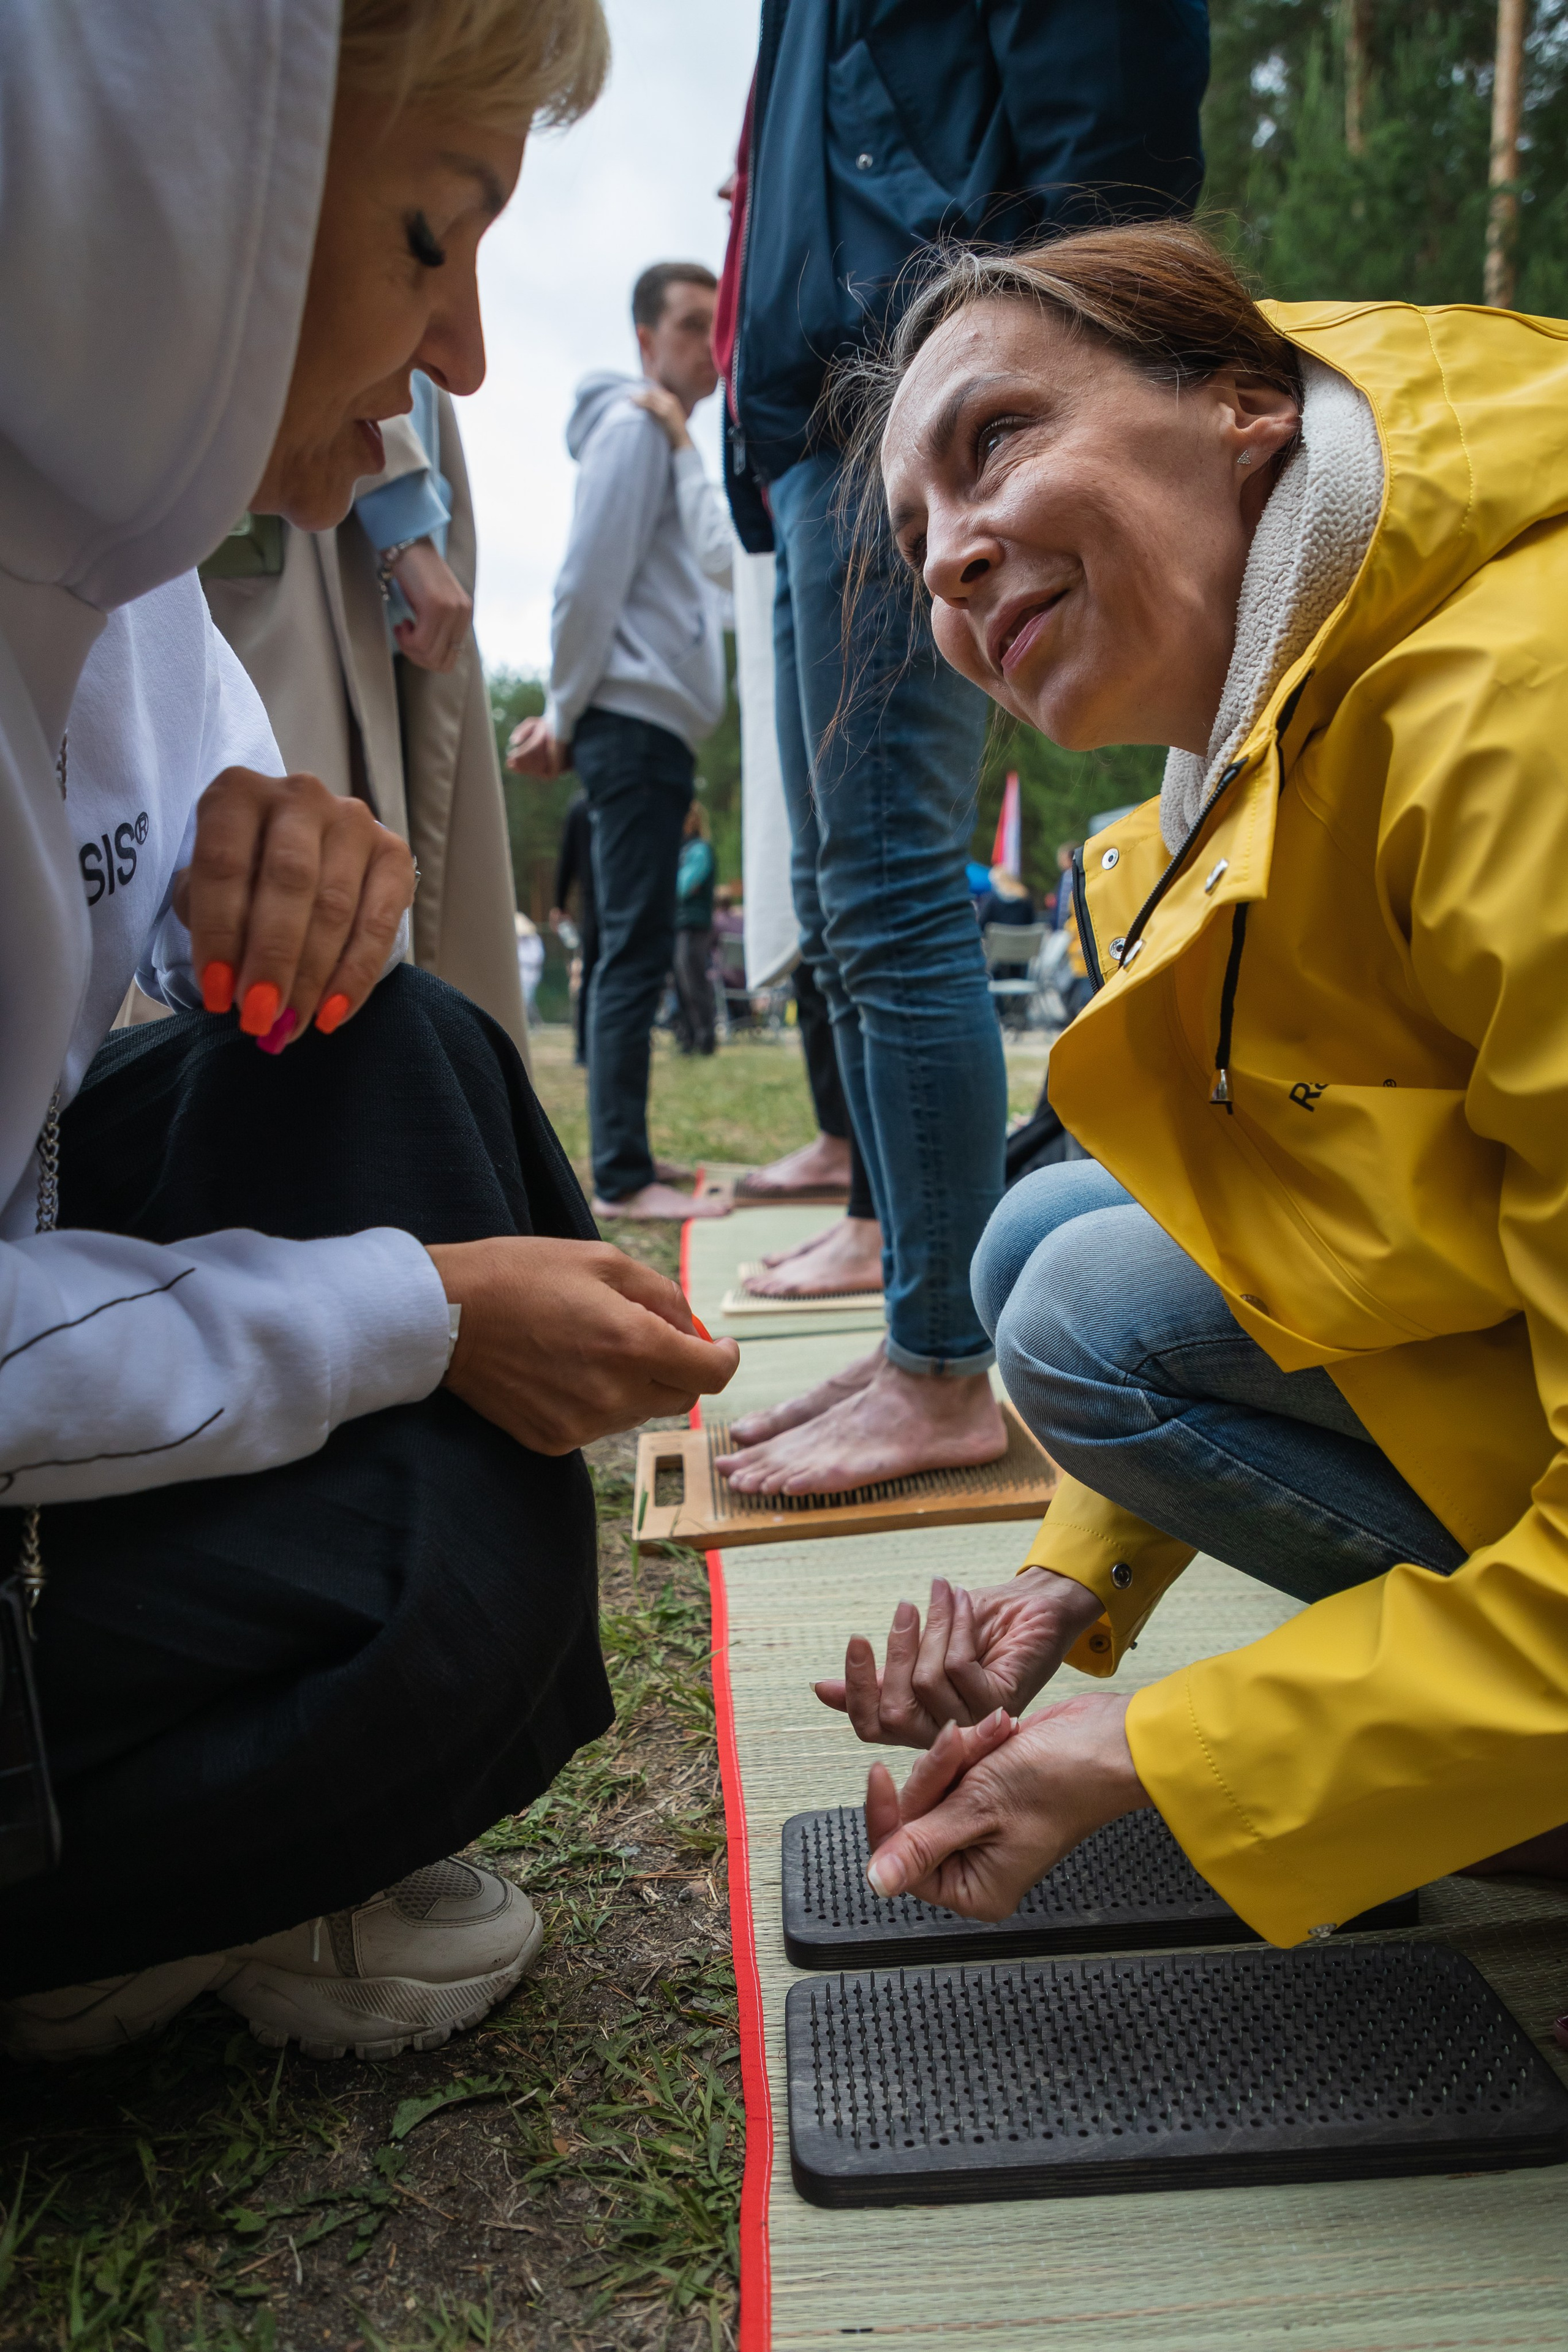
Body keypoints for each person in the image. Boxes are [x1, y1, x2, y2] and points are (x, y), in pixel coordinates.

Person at [0, 0, 740, 2062]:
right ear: (158, 194)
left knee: (410, 1054)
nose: (467, 353)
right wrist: (413, 1307)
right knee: (437, 1590)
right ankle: (120, 1883)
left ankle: (208, 1816)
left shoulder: (116, 584)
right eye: (432, 235)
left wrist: (287, 879)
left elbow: (179, 891)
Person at [816, 221, 1568, 1944]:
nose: (947, 563)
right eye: (918, 540)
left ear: (1245, 404)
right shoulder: (1249, 757)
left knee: (1065, 1292)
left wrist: (1165, 1757)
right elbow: (1323, 1225)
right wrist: (1065, 1585)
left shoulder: (1525, 723)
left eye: (994, 437)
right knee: (1054, 1261)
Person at [712, 0, 1209, 1497]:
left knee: (888, 878)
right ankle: (912, 1311)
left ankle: (938, 1363)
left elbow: (1106, 93)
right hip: (822, 406)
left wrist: (1064, 368)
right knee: (846, 887)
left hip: (914, 370)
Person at [203, 371, 529, 1052]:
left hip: (375, 551)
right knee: (287, 879)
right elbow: (308, 303)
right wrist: (404, 523)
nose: (471, 360)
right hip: (328, 541)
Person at [507, 264, 731, 1223]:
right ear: (644, 340)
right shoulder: (637, 428)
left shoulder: (662, 437)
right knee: (634, 948)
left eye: (714, 323)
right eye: (687, 324)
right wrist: (563, 712)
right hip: (629, 726)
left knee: (634, 941)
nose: (705, 342)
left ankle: (628, 1158)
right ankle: (621, 1175)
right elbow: (583, 585)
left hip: (649, 727)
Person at [551, 787, 597, 1065]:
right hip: (611, 902)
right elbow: (567, 857)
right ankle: (586, 1047)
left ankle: (584, 1048)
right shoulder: (596, 804)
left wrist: (560, 902)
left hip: (591, 903)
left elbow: (566, 858)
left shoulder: (580, 806)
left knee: (591, 974)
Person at [672, 802, 717, 1056]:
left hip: (694, 924)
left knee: (693, 981)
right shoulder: (683, 850)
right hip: (680, 924)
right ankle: (688, 1037)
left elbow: (683, 886)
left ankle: (705, 1037)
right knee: (681, 982)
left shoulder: (699, 850)